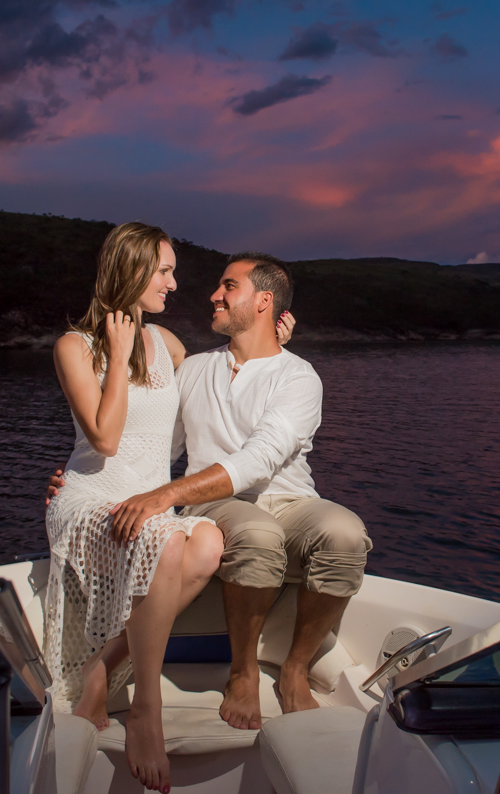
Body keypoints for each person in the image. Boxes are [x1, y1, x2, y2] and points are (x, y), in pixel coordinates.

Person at [50, 251, 371, 734]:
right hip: (219, 504)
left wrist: (163, 496)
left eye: (228, 286)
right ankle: (243, 671)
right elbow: (152, 438)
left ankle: (296, 667)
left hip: (292, 499)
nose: (212, 295)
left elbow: (260, 459)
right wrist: (81, 481)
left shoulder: (299, 376)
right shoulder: (194, 367)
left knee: (346, 534)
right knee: (257, 533)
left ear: (263, 302)